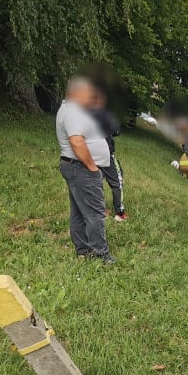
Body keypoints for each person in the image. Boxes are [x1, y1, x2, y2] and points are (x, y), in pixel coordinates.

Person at [56, 76, 115, 265]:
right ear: (77, 92)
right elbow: (76, 141)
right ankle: (101, 255)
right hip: (81, 167)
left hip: (76, 166)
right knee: (95, 212)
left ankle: (84, 250)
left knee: (79, 211)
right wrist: (92, 168)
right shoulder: (72, 110)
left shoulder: (72, 109)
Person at [90, 90, 127, 222]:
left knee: (95, 181)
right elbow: (116, 130)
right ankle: (120, 213)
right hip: (105, 154)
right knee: (118, 181)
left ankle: (96, 209)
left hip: (90, 154)